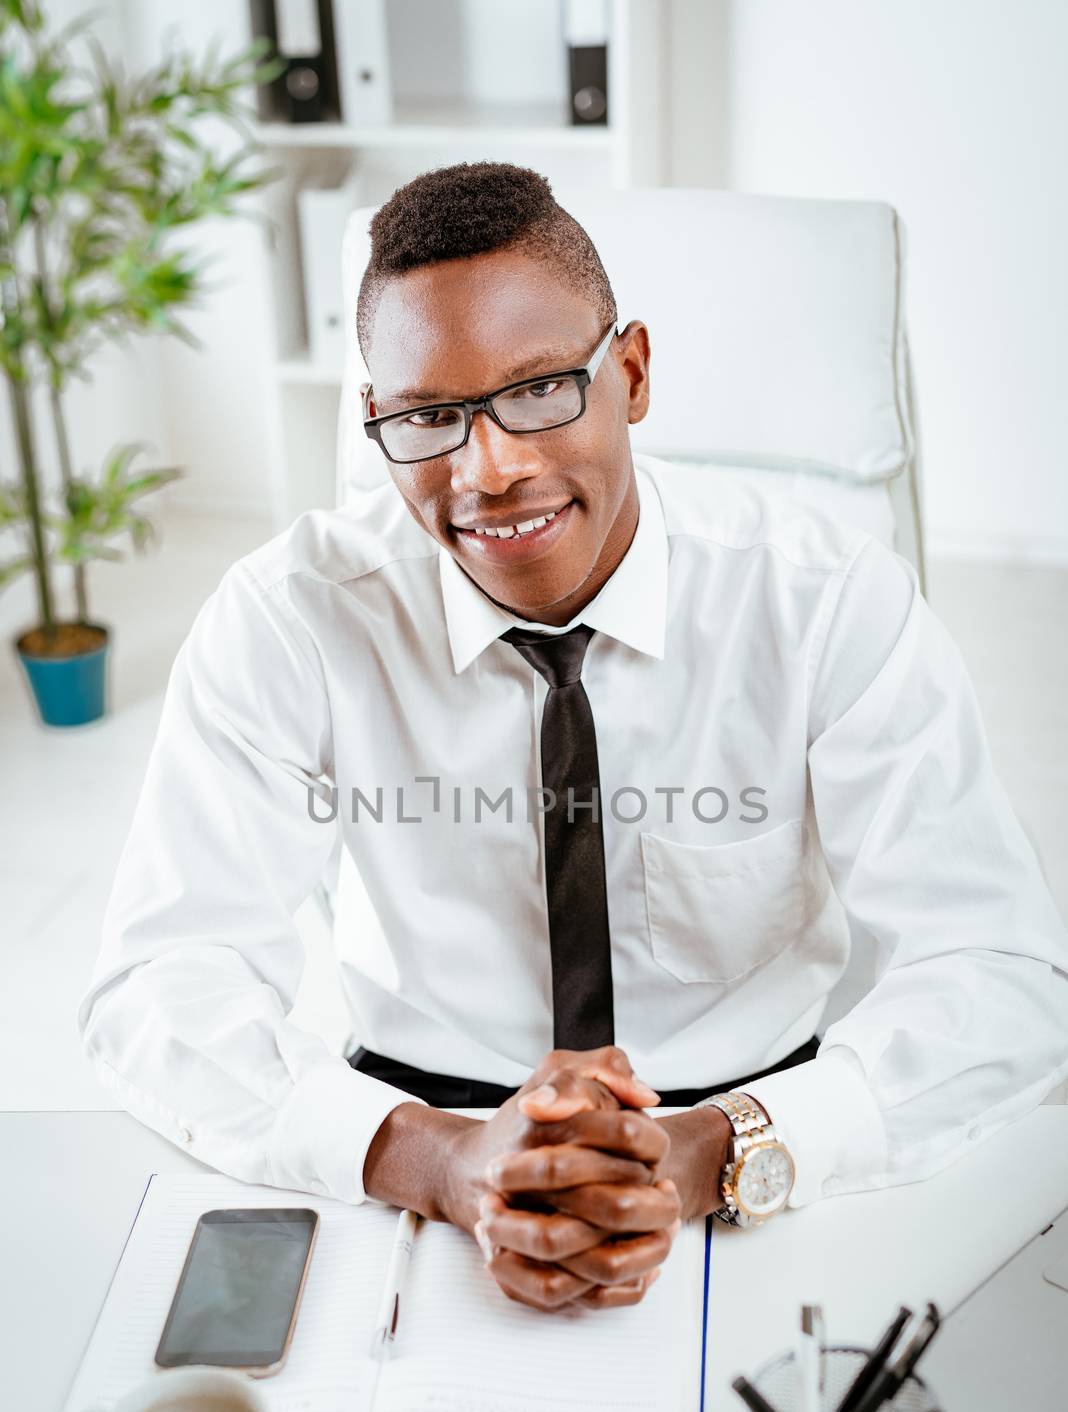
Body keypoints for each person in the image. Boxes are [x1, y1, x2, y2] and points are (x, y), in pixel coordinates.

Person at [79, 162, 1068, 1314]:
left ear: (631, 373)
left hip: (762, 1145)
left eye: (542, 389)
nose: (489, 469)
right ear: (376, 425)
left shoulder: (823, 597)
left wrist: (713, 1152)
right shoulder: (290, 615)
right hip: (418, 1147)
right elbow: (160, 981)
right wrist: (438, 1160)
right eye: (428, 418)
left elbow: (1000, 976)